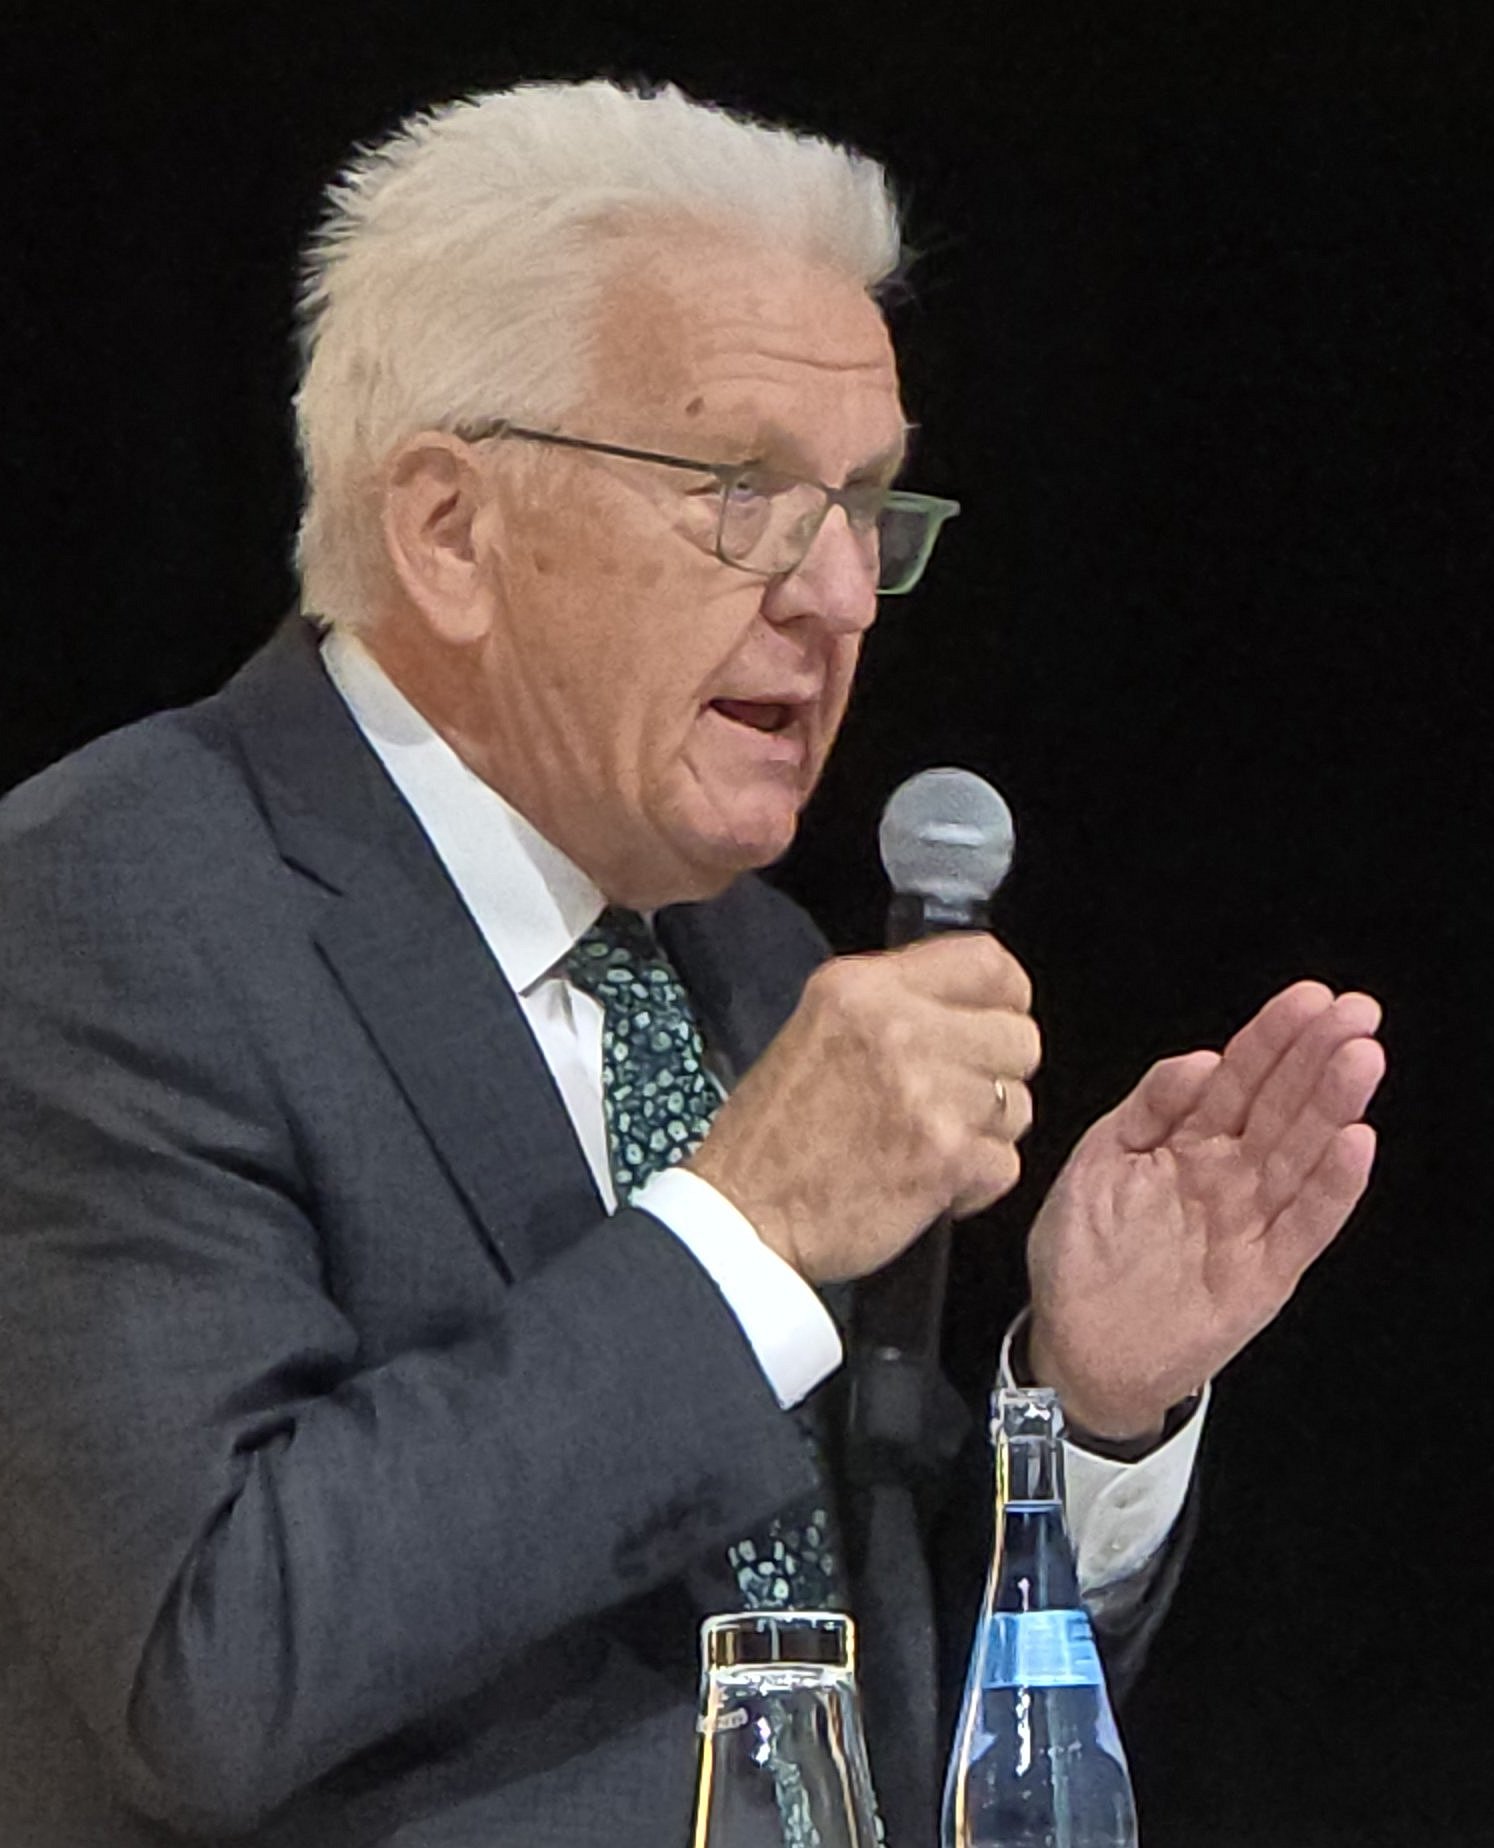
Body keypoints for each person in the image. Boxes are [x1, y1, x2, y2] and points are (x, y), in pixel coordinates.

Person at [0, 80, 1385, 1848]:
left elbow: (861, 1713)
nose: (841, 593)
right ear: (450, 531)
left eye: (868, 506)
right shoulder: (111, 905)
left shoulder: (752, 960)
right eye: (741, 491)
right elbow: (206, 1660)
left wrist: (1088, 1416)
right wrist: (743, 1232)